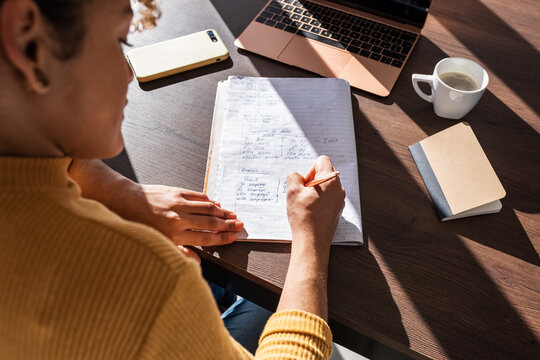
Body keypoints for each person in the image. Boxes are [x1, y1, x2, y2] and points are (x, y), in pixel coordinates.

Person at [0, 0, 346, 358]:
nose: (129, 74)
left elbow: (63, 163)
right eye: (120, 41)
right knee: (267, 301)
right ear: (29, 39)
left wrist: (126, 194)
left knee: (221, 284)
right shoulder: (141, 273)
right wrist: (311, 239)